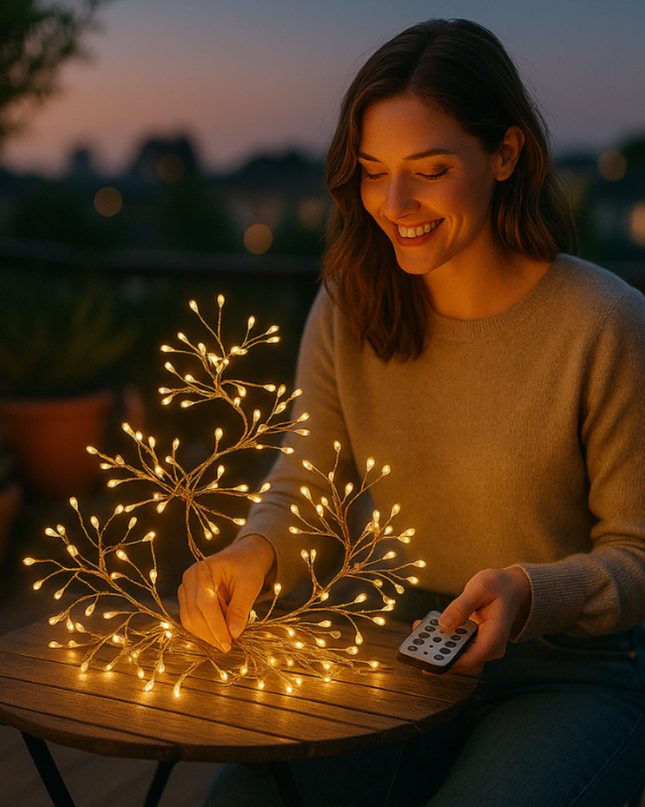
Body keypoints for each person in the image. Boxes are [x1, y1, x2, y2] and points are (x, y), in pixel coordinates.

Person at [179, 18, 645, 807]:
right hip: (404, 646)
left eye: (429, 170)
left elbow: (636, 553)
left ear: (505, 154)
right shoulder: (349, 309)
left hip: (572, 668)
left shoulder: (603, 323)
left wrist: (529, 592)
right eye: (372, 171)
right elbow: (305, 484)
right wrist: (253, 551)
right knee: (243, 799)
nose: (394, 204)